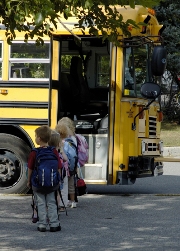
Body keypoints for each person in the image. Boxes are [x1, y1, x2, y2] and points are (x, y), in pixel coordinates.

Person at [27, 125, 62, 232]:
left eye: (36, 136)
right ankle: (54, 224)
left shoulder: (34, 152)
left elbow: (30, 168)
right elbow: (59, 166)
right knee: (51, 202)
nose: (35, 137)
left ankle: (42, 224)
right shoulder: (54, 151)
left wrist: (29, 181)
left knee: (41, 203)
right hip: (52, 183)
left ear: (39, 139)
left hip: (38, 183)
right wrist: (58, 179)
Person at [55, 120, 77, 208]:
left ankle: (59, 204)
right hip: (68, 168)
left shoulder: (60, 143)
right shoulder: (70, 141)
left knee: (60, 187)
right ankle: (69, 202)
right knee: (67, 186)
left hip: (61, 168)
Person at [48, 129, 69, 212]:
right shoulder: (58, 152)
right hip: (58, 176)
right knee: (58, 192)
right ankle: (57, 207)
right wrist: (62, 149)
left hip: (49, 175)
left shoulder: (47, 151)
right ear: (59, 143)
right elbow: (65, 159)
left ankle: (49, 207)